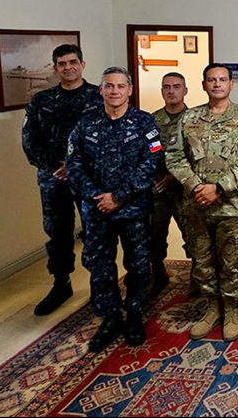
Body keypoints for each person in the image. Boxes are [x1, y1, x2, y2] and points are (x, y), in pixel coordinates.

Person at [166, 63, 238, 342]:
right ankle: (212, 307)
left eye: (222, 79)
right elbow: (174, 157)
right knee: (202, 259)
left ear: (231, 84)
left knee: (233, 260)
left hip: (231, 205)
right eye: (212, 80)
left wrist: (219, 187)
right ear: (204, 84)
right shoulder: (189, 118)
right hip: (196, 204)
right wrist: (197, 186)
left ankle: (231, 308)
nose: (217, 84)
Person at [66, 67, 161, 351]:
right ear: (101, 90)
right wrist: (97, 195)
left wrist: (118, 196)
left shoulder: (145, 123)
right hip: (97, 211)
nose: (115, 91)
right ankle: (109, 317)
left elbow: (150, 164)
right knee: (100, 266)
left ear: (130, 90)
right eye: (109, 86)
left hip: (132, 209)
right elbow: (74, 165)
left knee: (138, 264)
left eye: (120, 86)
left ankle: (133, 313)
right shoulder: (85, 124)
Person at [21, 44, 103, 316]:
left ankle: (99, 286)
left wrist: (75, 166)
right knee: (57, 233)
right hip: (53, 178)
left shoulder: (99, 97)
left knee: (95, 232)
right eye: (62, 63)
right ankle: (61, 283)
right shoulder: (41, 101)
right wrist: (56, 166)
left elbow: (108, 139)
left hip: (90, 178)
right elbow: (30, 140)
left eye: (72, 62)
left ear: (82, 63)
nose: (68, 67)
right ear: (55, 68)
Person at [147, 72, 191, 299]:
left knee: (192, 235)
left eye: (176, 86)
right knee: (154, 233)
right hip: (158, 189)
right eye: (166, 87)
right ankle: (158, 274)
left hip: (185, 187)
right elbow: (146, 154)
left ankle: (197, 277)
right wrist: (155, 177)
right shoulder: (151, 121)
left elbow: (198, 156)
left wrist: (174, 176)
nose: (171, 91)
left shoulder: (194, 119)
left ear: (186, 90)